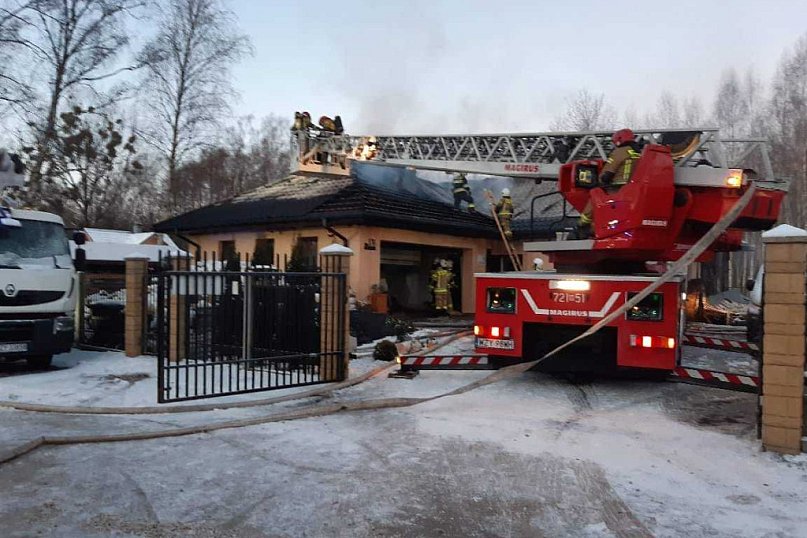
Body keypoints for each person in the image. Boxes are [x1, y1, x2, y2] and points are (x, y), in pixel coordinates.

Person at [576, 128, 642, 238]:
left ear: (619, 139)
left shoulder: (620, 151)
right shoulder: (638, 154)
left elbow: (608, 172)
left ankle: (583, 225)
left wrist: (599, 182)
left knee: (595, 195)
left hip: (616, 188)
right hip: (632, 189)